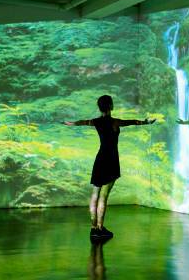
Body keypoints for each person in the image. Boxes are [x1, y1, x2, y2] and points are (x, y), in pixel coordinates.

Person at [64, 95, 155, 241]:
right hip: (111, 160)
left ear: (99, 107)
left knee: (95, 194)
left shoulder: (96, 122)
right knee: (104, 196)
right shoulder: (115, 122)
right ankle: (99, 228)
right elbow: (132, 122)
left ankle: (93, 228)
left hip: (100, 159)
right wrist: (145, 122)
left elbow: (83, 122)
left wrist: (72, 123)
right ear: (111, 106)